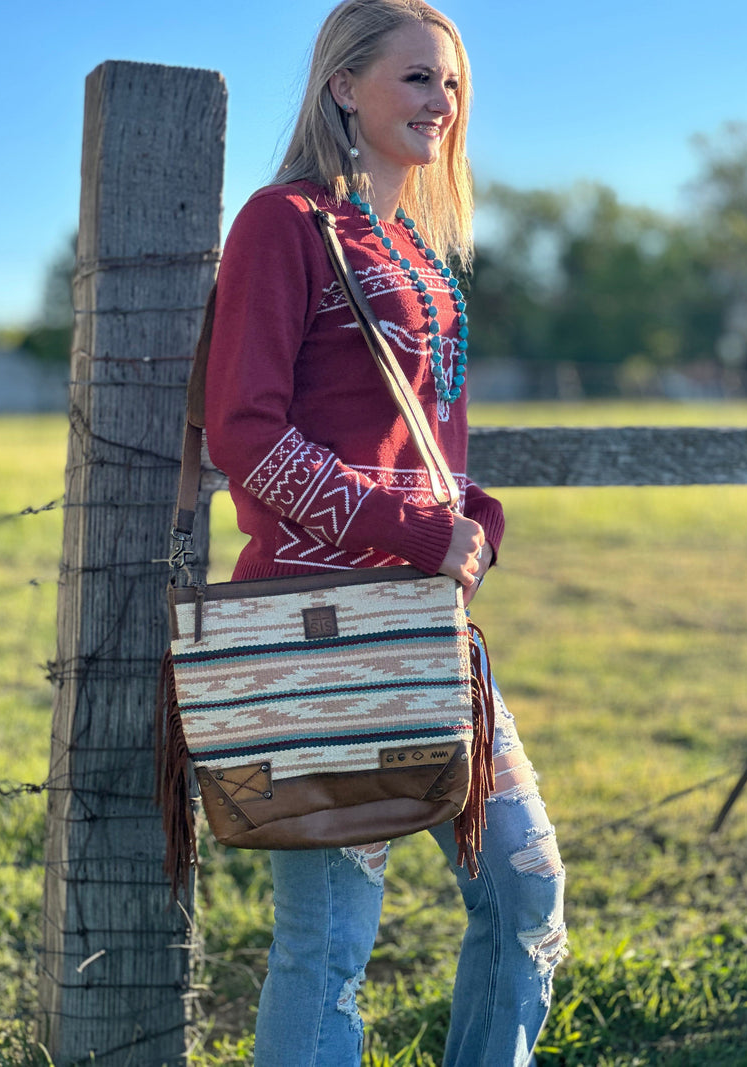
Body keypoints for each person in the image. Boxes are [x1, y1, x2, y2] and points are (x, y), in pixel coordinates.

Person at [204, 1, 567, 1063]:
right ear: (341, 87)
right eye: (414, 79)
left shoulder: (420, 247)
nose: (440, 103)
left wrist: (472, 521)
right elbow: (246, 436)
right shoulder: (284, 222)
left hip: (429, 624)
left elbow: (427, 440)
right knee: (327, 947)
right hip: (321, 629)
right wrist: (411, 526)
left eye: (450, 84)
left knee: (526, 889)